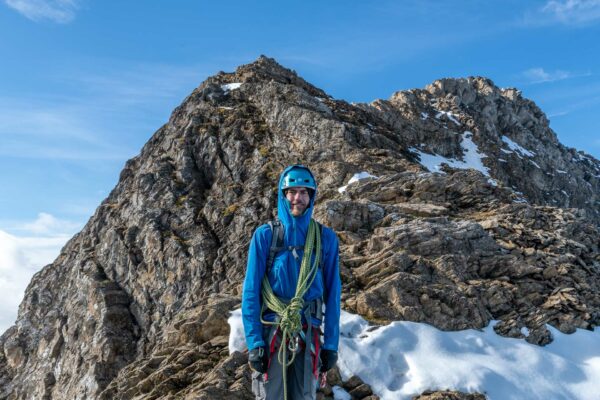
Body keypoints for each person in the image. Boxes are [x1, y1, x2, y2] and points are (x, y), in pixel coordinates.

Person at [242, 164, 341, 400]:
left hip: (308, 332)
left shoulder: (325, 238)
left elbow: (333, 294)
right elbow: (251, 292)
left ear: (312, 196)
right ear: (283, 194)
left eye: (304, 192)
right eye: (292, 191)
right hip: (272, 333)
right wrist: (255, 342)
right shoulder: (265, 235)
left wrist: (331, 346)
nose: (298, 198)